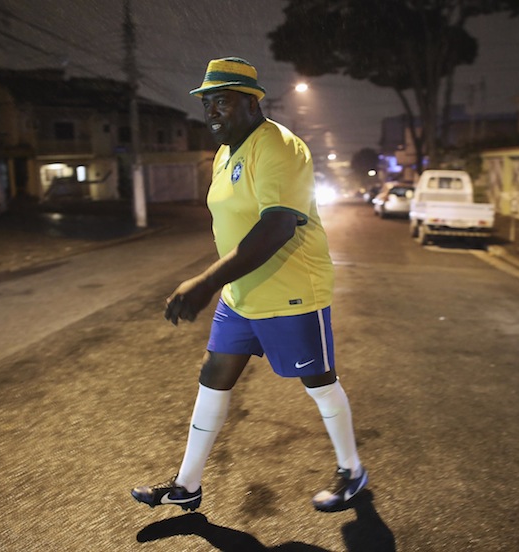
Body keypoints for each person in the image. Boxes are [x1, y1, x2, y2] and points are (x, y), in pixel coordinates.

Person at [131, 57, 367, 513]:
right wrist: (218, 284)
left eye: (222, 102)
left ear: (252, 102)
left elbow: (277, 226)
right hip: (240, 294)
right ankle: (187, 484)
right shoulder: (225, 154)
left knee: (319, 383)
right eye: (207, 104)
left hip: (292, 291)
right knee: (212, 379)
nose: (212, 113)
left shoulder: (278, 147)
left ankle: (352, 470)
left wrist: (204, 282)